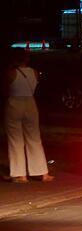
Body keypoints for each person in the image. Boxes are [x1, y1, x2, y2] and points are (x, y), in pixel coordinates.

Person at [4, 48, 52, 183]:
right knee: (34, 138)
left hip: (15, 102)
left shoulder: (11, 73)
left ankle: (20, 174)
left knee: (15, 139)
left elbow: (5, 89)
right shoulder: (34, 72)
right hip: (30, 103)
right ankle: (42, 172)